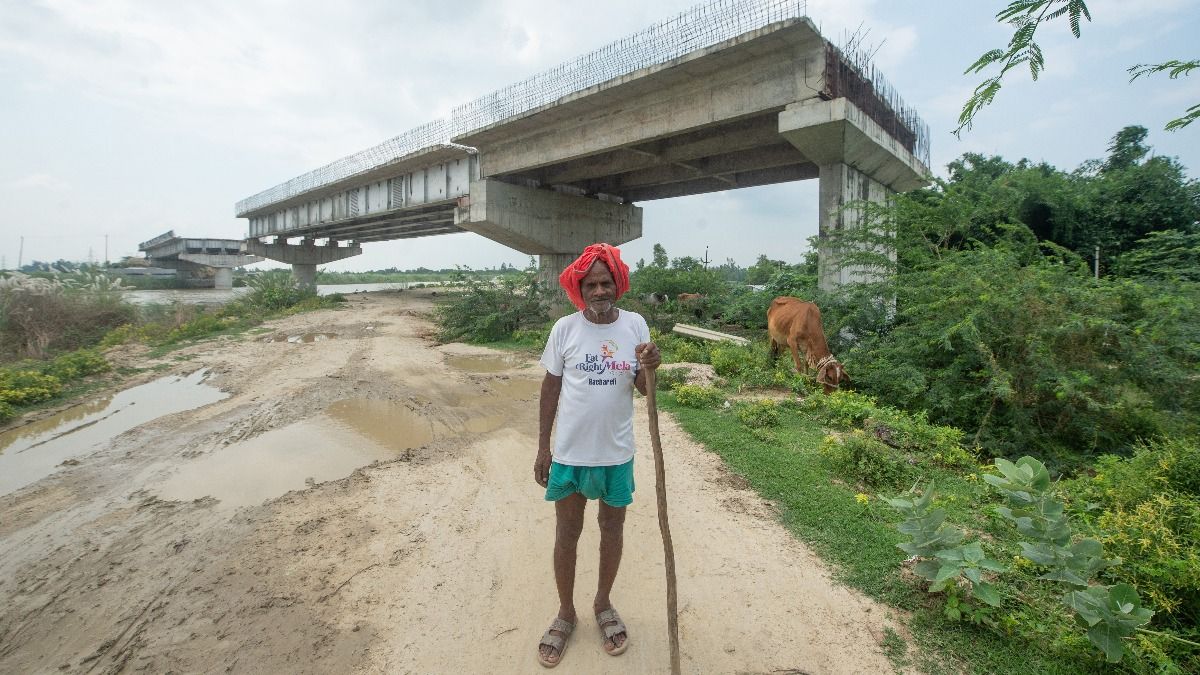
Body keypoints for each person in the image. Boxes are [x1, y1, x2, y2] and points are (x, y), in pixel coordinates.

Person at [534, 243, 660, 668]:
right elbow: (550, 389)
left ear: (618, 285)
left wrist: (652, 368)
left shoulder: (636, 325)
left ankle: (603, 603)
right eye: (592, 284)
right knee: (567, 534)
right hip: (570, 454)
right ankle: (565, 612)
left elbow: (644, 390)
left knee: (612, 529)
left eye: (607, 282)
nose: (601, 290)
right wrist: (542, 448)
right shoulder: (565, 330)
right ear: (580, 288)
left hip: (616, 454)